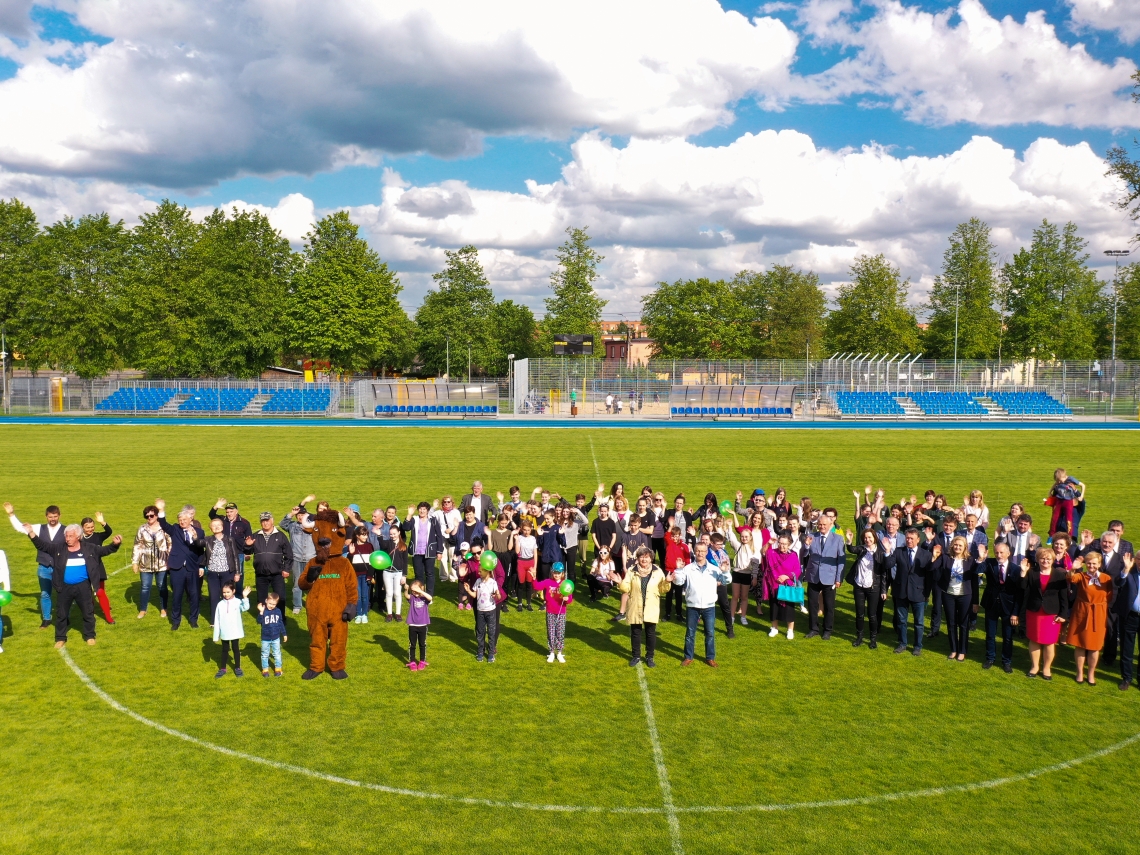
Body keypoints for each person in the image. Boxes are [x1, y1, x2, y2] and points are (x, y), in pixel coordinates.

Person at [26, 521, 121, 648]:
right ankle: (60, 638)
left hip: (83, 587)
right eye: (66, 536)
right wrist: (31, 533)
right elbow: (43, 546)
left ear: (78, 537)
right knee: (61, 614)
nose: (67, 539)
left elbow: (105, 550)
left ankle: (90, 636)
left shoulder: (89, 548)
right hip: (64, 587)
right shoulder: (59, 548)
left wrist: (115, 544)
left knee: (88, 612)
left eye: (70, 536)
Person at [6, 502, 64, 628]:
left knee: (63, 593)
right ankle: (46, 619)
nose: (53, 519)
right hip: (44, 567)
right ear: (46, 517)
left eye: (55, 516)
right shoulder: (39, 528)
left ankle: (63, 618)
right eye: (50, 517)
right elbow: (20, 528)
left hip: (60, 568)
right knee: (45, 593)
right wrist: (11, 514)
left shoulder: (66, 530)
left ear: (59, 515)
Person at [670, 543, 724, 666]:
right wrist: (678, 570)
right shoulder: (688, 568)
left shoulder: (714, 569)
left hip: (709, 606)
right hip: (692, 606)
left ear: (706, 552)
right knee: (690, 633)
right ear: (694, 552)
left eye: (702, 551)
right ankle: (688, 656)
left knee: (709, 633)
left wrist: (725, 572)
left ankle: (710, 657)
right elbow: (678, 582)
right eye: (698, 551)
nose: (700, 553)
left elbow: (726, 581)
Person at [931, 536, 982, 661]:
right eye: (956, 545)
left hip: (965, 596)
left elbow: (975, 581)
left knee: (963, 624)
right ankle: (953, 649)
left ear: (965, 547)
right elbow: (931, 568)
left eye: (960, 545)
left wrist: (975, 602)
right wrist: (934, 556)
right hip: (948, 595)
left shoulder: (970, 560)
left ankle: (962, 651)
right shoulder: (945, 557)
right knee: (951, 623)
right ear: (952, 545)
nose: (957, 547)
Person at [1022, 547, 1070, 680]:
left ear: (1053, 560)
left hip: (1051, 614)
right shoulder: (1031, 572)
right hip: (1034, 612)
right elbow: (1022, 589)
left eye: (1048, 558)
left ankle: (1046, 668)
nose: (1045, 561)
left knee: (1049, 642)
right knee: (1034, 640)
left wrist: (1063, 615)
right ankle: (1034, 666)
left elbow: (1063, 597)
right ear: (1037, 559)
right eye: (1042, 558)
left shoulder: (1059, 575)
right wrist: (1023, 573)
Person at [1066, 551, 1113, 685]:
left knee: (1095, 647)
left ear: (1099, 564)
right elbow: (1070, 578)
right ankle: (1080, 672)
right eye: (1089, 563)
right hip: (1081, 613)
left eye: (1094, 563)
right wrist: (1073, 568)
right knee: (1080, 645)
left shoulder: (1106, 578)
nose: (1091, 566)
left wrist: (1099, 606)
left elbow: (1109, 596)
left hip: (1098, 614)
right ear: (1085, 564)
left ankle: (1091, 673)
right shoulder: (1081, 576)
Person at [885, 528, 934, 656]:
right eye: (907, 538)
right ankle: (902, 644)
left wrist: (927, 594)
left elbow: (929, 577)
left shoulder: (926, 555)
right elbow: (888, 564)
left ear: (918, 540)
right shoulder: (898, 551)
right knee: (901, 621)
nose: (909, 540)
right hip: (901, 592)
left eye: (912, 538)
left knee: (919, 622)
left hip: (919, 593)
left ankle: (917, 646)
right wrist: (887, 551)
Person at [619, 547, 670, 667]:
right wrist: (619, 582)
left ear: (651, 558)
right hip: (635, 606)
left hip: (651, 606)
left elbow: (663, 590)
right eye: (641, 557)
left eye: (646, 557)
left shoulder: (658, 571)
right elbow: (626, 588)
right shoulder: (631, 571)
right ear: (637, 558)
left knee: (650, 633)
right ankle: (636, 656)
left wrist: (667, 581)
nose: (644, 559)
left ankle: (650, 657)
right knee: (635, 632)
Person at [802, 510, 844, 640]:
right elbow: (803, 555)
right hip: (813, 576)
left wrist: (838, 578)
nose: (822, 527)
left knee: (829, 605)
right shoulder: (811, 536)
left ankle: (827, 630)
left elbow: (841, 560)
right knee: (812, 604)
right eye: (820, 524)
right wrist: (807, 546)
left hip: (830, 577)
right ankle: (813, 628)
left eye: (824, 524)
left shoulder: (838, 539)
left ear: (830, 524)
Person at [981, 541, 1021, 673]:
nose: (999, 555)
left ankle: (1006, 661)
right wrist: (981, 558)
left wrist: (1015, 612)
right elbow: (976, 571)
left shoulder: (1016, 569)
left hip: (1008, 607)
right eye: (996, 552)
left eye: (1001, 552)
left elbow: (1019, 592)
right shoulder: (989, 563)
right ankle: (990, 658)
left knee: (1007, 636)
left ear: (1008, 553)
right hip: (991, 604)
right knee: (990, 634)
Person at [243, 511, 293, 616]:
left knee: (280, 597)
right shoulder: (255, 536)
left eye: (267, 520)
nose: (265, 523)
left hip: (277, 573)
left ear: (272, 520)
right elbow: (247, 553)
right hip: (260, 573)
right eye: (263, 521)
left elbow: (289, 554)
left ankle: (280, 618)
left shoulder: (280, 536)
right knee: (261, 597)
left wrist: (286, 569)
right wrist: (247, 545)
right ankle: (263, 618)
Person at [845, 528, 887, 648]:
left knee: (872, 615)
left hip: (873, 587)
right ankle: (859, 637)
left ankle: (873, 639)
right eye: (865, 538)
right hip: (859, 586)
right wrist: (849, 541)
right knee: (859, 614)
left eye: (869, 537)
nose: (867, 540)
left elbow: (884, 573)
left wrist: (883, 590)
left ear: (874, 538)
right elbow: (851, 549)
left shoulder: (880, 552)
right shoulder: (861, 549)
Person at [132, 504, 171, 620]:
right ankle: (143, 610)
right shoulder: (142, 529)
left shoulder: (164, 528)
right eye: (147, 516)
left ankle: (164, 608)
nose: (149, 518)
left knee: (162, 587)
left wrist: (170, 561)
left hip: (162, 563)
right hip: (146, 563)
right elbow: (137, 545)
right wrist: (135, 562)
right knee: (145, 587)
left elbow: (170, 544)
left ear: (157, 515)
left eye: (151, 515)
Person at [200, 517, 241, 626]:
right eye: (214, 525)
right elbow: (200, 548)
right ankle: (214, 621)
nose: (217, 527)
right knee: (213, 597)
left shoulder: (229, 539)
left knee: (228, 596)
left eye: (219, 525)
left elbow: (235, 557)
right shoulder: (208, 540)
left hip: (227, 572)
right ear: (210, 528)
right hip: (212, 573)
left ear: (222, 527)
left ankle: (229, 619)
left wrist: (237, 572)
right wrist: (194, 535)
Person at [763, 533, 802, 640]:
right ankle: (774, 628)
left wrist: (787, 576)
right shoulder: (772, 552)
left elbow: (798, 570)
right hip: (774, 585)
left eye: (785, 544)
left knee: (789, 609)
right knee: (774, 608)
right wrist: (768, 544)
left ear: (789, 544)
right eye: (780, 543)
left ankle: (790, 630)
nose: (782, 546)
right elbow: (763, 553)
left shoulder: (793, 555)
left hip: (787, 586)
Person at [401, 502, 445, 596]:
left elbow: (439, 536)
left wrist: (439, 551)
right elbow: (405, 527)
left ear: (427, 510)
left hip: (430, 551)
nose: (422, 511)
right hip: (417, 551)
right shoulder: (414, 519)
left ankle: (429, 594)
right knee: (418, 574)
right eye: (420, 509)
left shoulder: (432, 520)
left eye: (424, 509)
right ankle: (419, 593)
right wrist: (409, 514)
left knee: (430, 574)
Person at [80, 513, 116, 624]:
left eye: (92, 527)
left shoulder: (98, 536)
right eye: (88, 527)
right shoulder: (79, 538)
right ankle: (90, 613)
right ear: (82, 527)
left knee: (100, 592)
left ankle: (108, 617)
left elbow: (109, 532)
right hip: (83, 568)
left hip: (97, 568)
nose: (90, 529)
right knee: (86, 593)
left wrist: (102, 522)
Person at [280, 503, 316, 615]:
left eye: (303, 514)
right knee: (297, 583)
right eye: (299, 515)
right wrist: (291, 513)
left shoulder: (312, 526)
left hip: (311, 558)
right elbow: (282, 524)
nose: (300, 517)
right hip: (296, 558)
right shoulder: (292, 526)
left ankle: (312, 604)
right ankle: (297, 605)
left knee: (313, 584)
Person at [534, 563, 573, 663]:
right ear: (552, 572)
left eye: (558, 573)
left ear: (562, 573)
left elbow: (570, 599)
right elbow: (538, 586)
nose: (556, 575)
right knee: (551, 632)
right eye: (555, 573)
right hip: (550, 612)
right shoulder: (548, 582)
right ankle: (551, 652)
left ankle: (559, 653)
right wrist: (534, 578)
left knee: (560, 633)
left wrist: (567, 598)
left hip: (561, 613)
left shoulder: (566, 584)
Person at [209, 500, 253, 585]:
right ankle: (226, 593)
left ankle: (239, 595)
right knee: (226, 573)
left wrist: (248, 553)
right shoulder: (222, 520)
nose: (229, 514)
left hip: (239, 552)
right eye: (227, 512)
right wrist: (215, 507)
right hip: (224, 552)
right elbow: (211, 515)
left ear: (236, 511)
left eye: (231, 511)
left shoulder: (244, 523)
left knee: (239, 574)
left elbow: (249, 538)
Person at [464, 562, 501, 663]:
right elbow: (475, 595)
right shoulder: (478, 581)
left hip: (491, 611)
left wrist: (497, 594)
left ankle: (491, 654)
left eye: (480, 571)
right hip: (480, 611)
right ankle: (480, 651)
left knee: (491, 632)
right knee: (480, 632)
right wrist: (468, 590)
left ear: (487, 572)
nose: (479, 573)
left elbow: (499, 597)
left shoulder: (493, 582)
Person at [212, 583, 251, 678]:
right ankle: (223, 668)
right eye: (224, 592)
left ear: (233, 591)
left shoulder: (238, 602)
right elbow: (217, 620)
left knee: (235, 649)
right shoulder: (220, 604)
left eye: (228, 592)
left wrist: (245, 597)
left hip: (235, 631)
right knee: (225, 650)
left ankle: (237, 667)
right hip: (225, 632)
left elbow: (245, 608)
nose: (226, 594)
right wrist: (216, 635)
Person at [1114, 551, 1140, 691]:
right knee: (1126, 649)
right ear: (1135, 559)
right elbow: (1118, 582)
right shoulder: (1129, 570)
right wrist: (1126, 569)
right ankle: (1126, 678)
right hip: (1129, 616)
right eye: (1139, 559)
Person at [378, 525, 408, 622]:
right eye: (391, 534)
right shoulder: (388, 543)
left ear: (399, 533)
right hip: (387, 572)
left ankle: (398, 613)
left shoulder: (403, 546)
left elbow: (405, 561)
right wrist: (379, 535)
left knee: (397, 593)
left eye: (394, 534)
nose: (392, 536)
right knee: (389, 593)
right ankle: (390, 614)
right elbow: (382, 544)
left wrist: (404, 575)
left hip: (398, 573)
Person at [346, 525, 374, 624]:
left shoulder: (369, 546)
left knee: (365, 596)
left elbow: (372, 562)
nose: (365, 537)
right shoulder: (352, 546)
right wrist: (351, 553)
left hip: (366, 575)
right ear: (357, 535)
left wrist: (370, 576)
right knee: (357, 595)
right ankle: (358, 614)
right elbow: (348, 563)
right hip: (355, 575)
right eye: (363, 535)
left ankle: (364, 614)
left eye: (366, 535)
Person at [257, 591, 288, 677]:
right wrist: (261, 612)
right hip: (265, 638)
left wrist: (284, 634)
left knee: (277, 653)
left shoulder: (278, 611)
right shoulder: (263, 610)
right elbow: (259, 621)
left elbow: (280, 623)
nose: (271, 606)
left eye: (274, 604)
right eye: (270, 603)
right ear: (266, 600)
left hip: (276, 637)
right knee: (265, 654)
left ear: (276, 604)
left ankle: (278, 669)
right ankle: (265, 669)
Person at [405, 579, 432, 671]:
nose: (415, 593)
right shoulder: (412, 598)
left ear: (421, 588)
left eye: (417, 591)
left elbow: (430, 598)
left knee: (422, 644)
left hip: (423, 625)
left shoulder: (425, 598)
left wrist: (420, 591)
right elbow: (406, 596)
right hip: (412, 624)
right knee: (412, 644)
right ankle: (412, 661)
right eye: (413, 591)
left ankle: (422, 661)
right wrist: (406, 589)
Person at [514, 519, 538, 611]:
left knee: (529, 584)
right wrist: (516, 541)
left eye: (528, 530)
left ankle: (528, 604)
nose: (526, 532)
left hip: (530, 563)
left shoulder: (533, 538)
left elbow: (535, 553)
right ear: (522, 530)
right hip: (521, 562)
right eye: (525, 530)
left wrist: (535, 567)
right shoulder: (519, 538)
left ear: (531, 529)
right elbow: (517, 551)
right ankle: (519, 604)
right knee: (521, 584)